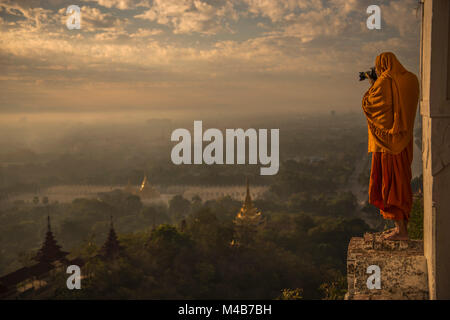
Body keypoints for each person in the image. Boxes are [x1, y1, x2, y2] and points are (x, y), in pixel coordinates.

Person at [362, 52, 420, 241]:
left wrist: (373, 83)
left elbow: (370, 105)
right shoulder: (411, 79)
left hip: (388, 145)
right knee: (402, 184)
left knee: (390, 187)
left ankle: (400, 231)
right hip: (405, 141)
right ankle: (402, 229)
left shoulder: (385, 80)